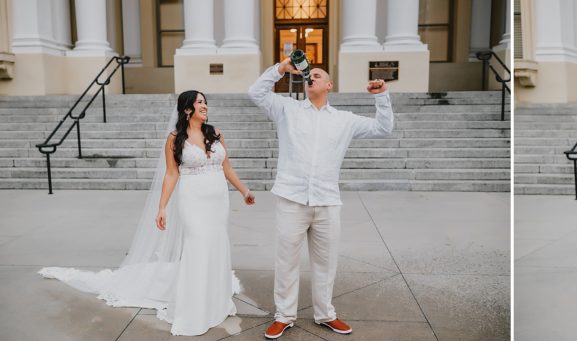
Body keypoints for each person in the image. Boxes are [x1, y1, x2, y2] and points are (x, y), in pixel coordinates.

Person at [40, 90, 256, 336]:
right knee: (197, 246)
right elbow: (171, 174)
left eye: (206, 102)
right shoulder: (174, 139)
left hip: (218, 202)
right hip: (193, 201)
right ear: (187, 109)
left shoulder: (215, 133)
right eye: (199, 102)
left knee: (216, 245)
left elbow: (227, 168)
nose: (205, 105)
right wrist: (162, 207)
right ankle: (194, 308)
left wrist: (244, 191)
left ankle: (215, 301)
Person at [248, 59, 393, 339]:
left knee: (326, 264)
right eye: (309, 74)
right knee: (286, 262)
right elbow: (255, 92)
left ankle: (325, 313)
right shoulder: (287, 109)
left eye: (317, 75)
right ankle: (284, 315)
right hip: (291, 199)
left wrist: (382, 97)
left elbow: (383, 128)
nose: (311, 77)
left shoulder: (344, 119)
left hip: (327, 201)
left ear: (329, 85)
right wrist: (281, 68)